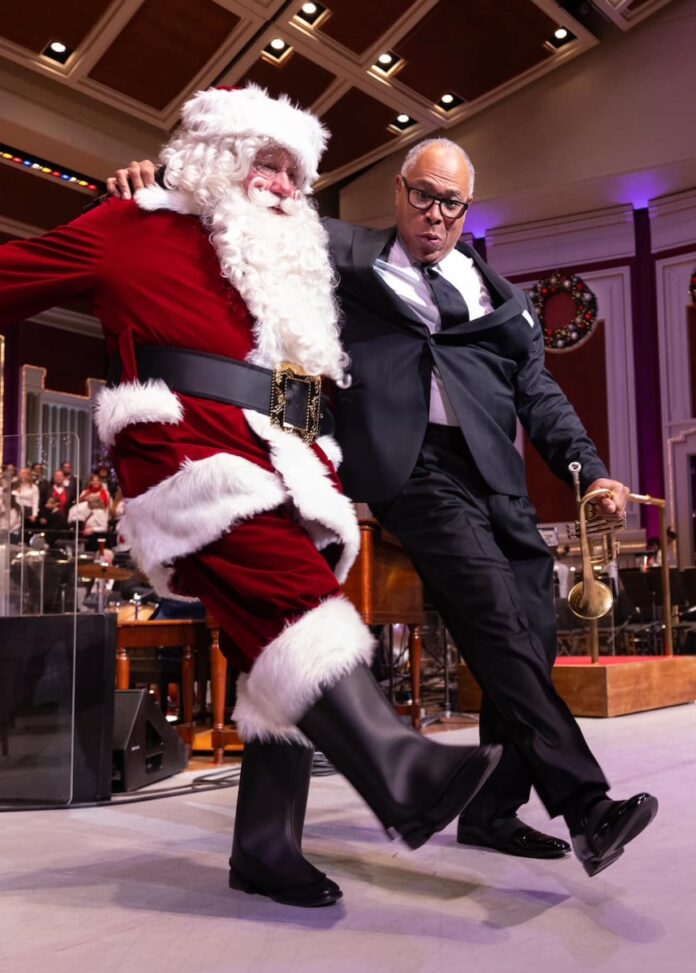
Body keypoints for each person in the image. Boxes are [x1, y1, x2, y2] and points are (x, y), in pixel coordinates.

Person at [0, 88, 500, 908]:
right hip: (187, 450)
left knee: (274, 660)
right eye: (264, 160)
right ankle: (399, 769)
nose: (280, 182)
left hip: (291, 459)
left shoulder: (288, 259)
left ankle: (267, 846)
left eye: (294, 170)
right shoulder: (134, 222)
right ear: (217, 157)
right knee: (290, 598)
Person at [111, 137, 658, 876]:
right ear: (399, 191)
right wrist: (162, 184)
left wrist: (590, 470)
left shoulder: (505, 299)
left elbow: (542, 397)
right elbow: (247, 212)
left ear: (468, 209)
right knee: (495, 618)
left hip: (497, 476)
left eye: (451, 202)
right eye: (423, 195)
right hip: (411, 468)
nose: (434, 214)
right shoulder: (342, 251)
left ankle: (493, 812)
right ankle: (588, 804)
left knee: (527, 634)